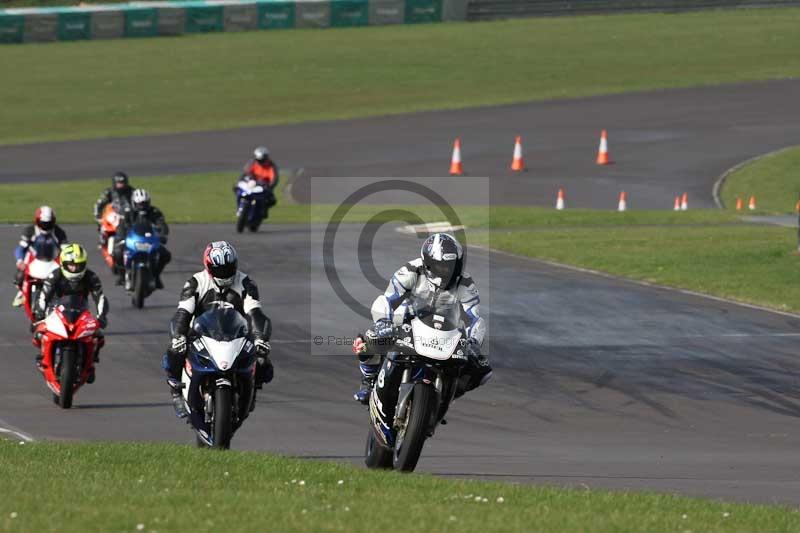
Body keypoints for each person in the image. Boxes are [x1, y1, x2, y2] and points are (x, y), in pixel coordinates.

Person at [351, 233, 492, 404]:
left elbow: (474, 317)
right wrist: (383, 322)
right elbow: (387, 300)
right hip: (408, 321)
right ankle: (369, 380)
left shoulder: (465, 283)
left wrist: (473, 342)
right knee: (367, 339)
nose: (447, 270)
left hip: (446, 330)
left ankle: (449, 392)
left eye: (451, 265)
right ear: (428, 263)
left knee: (482, 370)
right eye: (441, 266)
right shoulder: (411, 270)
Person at [162, 241, 274, 418]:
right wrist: (178, 336)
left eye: (228, 269)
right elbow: (182, 313)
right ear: (208, 266)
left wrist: (260, 338)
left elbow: (255, 314)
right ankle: (176, 389)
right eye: (220, 270)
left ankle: (253, 388)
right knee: (173, 351)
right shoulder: (195, 283)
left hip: (236, 334)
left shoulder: (245, 283)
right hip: (201, 334)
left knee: (263, 360)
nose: (225, 274)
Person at [34, 243, 108, 383]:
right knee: (39, 333)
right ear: (63, 263)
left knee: (99, 336)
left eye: (78, 265)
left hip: (81, 311)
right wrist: (40, 313)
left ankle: (91, 364)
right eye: (71, 265)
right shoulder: (54, 275)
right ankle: (42, 358)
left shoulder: (91, 277)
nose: (74, 268)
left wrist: (101, 316)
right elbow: (44, 295)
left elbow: (100, 297)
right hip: (55, 310)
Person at [113, 188, 171, 290]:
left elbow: (162, 225)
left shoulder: (155, 212)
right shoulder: (128, 213)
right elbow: (121, 227)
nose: (142, 206)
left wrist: (162, 235)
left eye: (144, 203)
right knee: (117, 252)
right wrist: (120, 237)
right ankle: (122, 276)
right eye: (139, 204)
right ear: (134, 203)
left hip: (149, 241)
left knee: (165, 255)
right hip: (131, 240)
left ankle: (156, 276)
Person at [12, 206, 68, 307]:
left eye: (48, 223)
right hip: (33, 259)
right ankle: (21, 292)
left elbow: (66, 249)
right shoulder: (30, 231)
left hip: (53, 260)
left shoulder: (58, 232)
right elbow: (20, 248)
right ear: (37, 221)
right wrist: (20, 261)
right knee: (19, 277)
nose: (45, 226)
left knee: (65, 279)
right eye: (43, 223)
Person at [94, 172, 134, 245]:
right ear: (114, 183)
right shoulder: (109, 192)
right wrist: (98, 217)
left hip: (128, 215)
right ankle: (103, 237)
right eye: (119, 183)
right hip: (114, 214)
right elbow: (99, 204)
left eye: (122, 183)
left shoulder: (132, 191)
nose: (121, 185)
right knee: (104, 223)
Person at [238, 146, 278, 217]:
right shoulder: (252, 163)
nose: (260, 162)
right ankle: (240, 208)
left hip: (264, 186)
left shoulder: (271, 166)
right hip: (251, 183)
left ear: (266, 157)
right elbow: (246, 172)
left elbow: (274, 179)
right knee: (239, 192)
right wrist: (242, 180)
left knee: (272, 200)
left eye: (262, 160)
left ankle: (263, 210)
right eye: (259, 160)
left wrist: (270, 186)